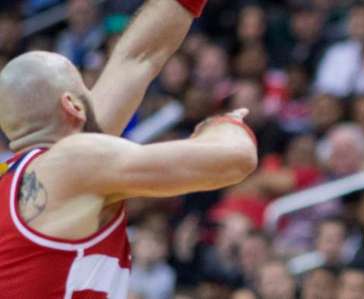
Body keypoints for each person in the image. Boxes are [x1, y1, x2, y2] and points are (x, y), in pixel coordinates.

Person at [0, 0, 258, 298]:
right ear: (72, 105)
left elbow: (137, 58)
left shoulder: (19, 177)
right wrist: (225, 124)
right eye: (86, 88)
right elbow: (235, 160)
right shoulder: (74, 163)